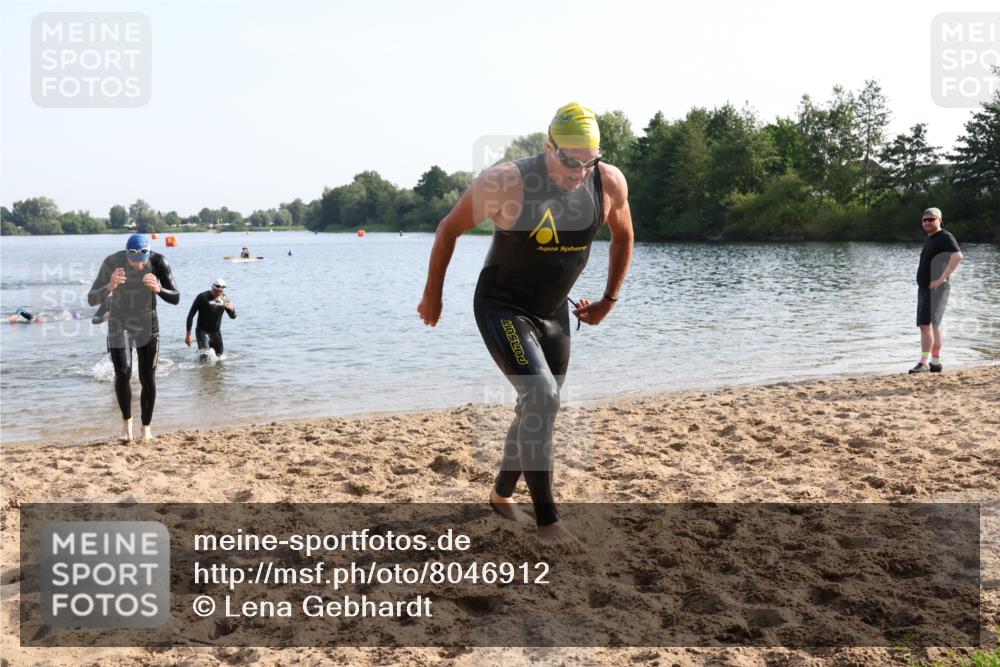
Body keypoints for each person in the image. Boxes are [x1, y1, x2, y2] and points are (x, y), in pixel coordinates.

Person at [418, 102, 634, 546]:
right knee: (541, 396)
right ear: (548, 146)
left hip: (554, 313)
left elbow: (624, 235)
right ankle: (548, 521)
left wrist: (610, 299)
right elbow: (447, 229)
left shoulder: (607, 181)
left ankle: (500, 495)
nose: (579, 170)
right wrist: (433, 295)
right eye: (570, 159)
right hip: (502, 306)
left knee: (539, 407)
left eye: (589, 159)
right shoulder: (505, 181)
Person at [87, 233, 180, 441]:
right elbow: (91, 299)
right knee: (123, 373)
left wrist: (159, 288)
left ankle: (146, 427)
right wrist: (110, 286)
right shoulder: (112, 262)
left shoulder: (159, 262)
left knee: (148, 377)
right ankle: (126, 423)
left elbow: (176, 297)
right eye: (133, 261)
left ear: (148, 254)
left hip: (148, 324)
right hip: (119, 323)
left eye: (142, 261)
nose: (138, 265)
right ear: (126, 254)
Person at [909, 207, 963, 374]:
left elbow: (957, 256)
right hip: (925, 288)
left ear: (940, 220)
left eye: (931, 219)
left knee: (926, 325)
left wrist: (942, 278)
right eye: (924, 220)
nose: (927, 222)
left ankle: (924, 362)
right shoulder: (930, 238)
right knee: (933, 326)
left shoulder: (945, 236)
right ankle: (935, 362)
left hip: (937, 288)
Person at [185, 278, 237, 359]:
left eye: (221, 291)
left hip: (216, 332)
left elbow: (233, 317)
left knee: (219, 356)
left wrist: (232, 310)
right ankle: (200, 363)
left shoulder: (224, 298)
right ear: (213, 288)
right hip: (202, 331)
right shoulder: (202, 297)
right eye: (217, 291)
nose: (219, 293)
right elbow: (190, 315)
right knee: (205, 356)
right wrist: (188, 334)